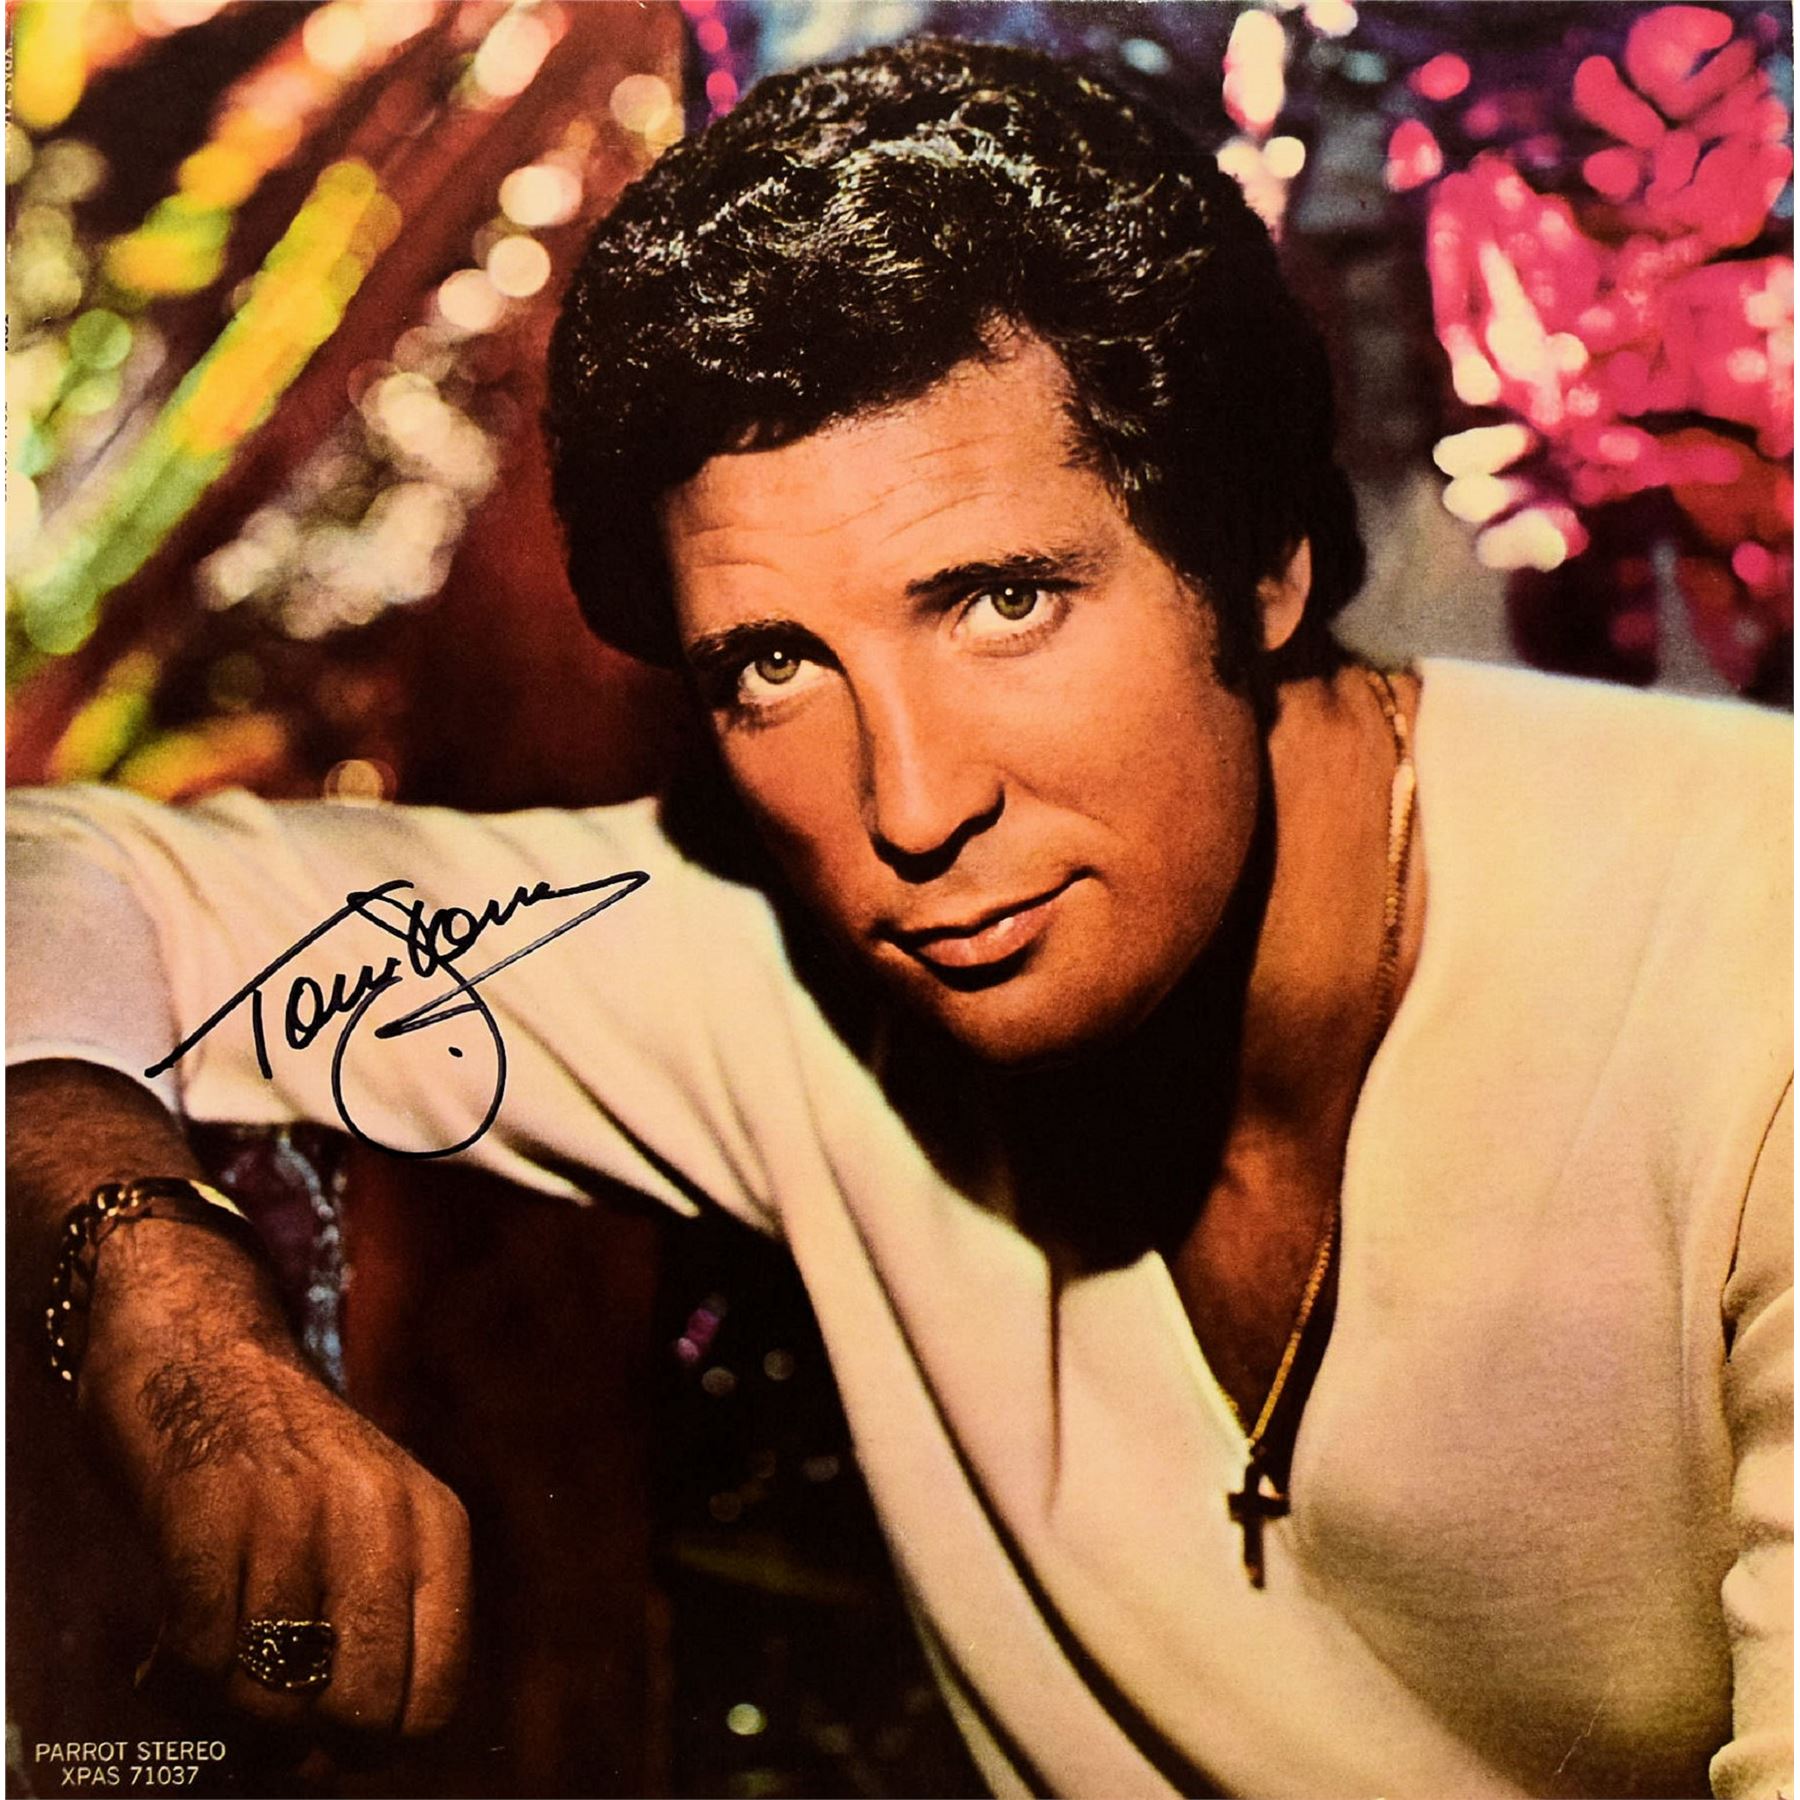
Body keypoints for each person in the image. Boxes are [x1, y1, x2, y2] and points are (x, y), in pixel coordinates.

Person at [8, 36, 1791, 1800]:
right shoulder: (779, 970)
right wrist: (166, 1299)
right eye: (775, 664)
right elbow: (49, 881)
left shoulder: (1754, 962)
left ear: (1262, 563)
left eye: (1004, 601)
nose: (915, 809)